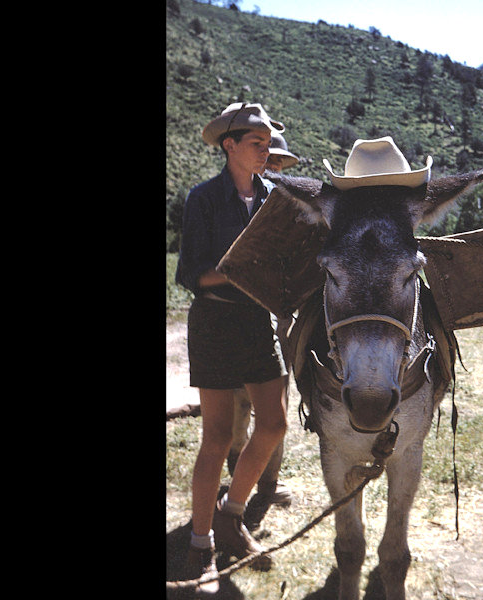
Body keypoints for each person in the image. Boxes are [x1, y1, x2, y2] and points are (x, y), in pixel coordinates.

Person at [175, 102, 289, 594]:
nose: (266, 152)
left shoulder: (274, 197)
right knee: (218, 437)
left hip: (258, 323)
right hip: (215, 323)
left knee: (275, 424)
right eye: (257, 144)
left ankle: (232, 516)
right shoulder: (202, 200)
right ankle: (201, 546)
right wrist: (239, 267)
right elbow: (190, 275)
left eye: (268, 144)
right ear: (229, 146)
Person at [226, 129, 301, 532]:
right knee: (239, 403)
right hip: (238, 317)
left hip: (279, 317)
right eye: (268, 161)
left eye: (277, 163)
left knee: (278, 404)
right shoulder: (235, 204)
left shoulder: (283, 206)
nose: (271, 168)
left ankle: (268, 483)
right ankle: (239, 475)